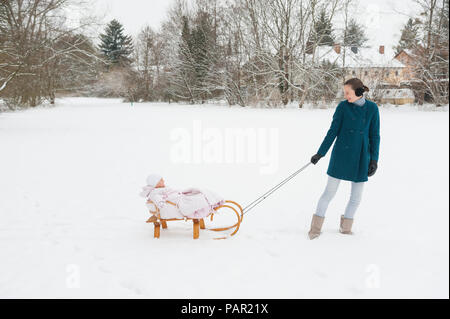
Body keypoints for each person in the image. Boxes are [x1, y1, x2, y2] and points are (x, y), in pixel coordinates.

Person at [308, 78, 380, 240]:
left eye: (348, 92)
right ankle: (315, 229)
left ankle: (346, 229)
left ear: (359, 92)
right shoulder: (342, 107)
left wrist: (374, 159)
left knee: (356, 197)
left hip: (362, 156)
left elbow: (375, 136)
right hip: (341, 154)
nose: (345, 95)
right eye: (344, 92)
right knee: (329, 193)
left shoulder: (372, 109)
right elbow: (332, 132)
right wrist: (320, 153)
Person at [140, 174, 225, 220]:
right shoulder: (154, 192)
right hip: (177, 202)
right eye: (161, 180)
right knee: (196, 199)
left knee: (198, 193)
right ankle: (209, 204)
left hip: (179, 197)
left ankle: (212, 200)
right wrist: (160, 203)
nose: (164, 181)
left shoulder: (160, 189)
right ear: (156, 183)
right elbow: (156, 198)